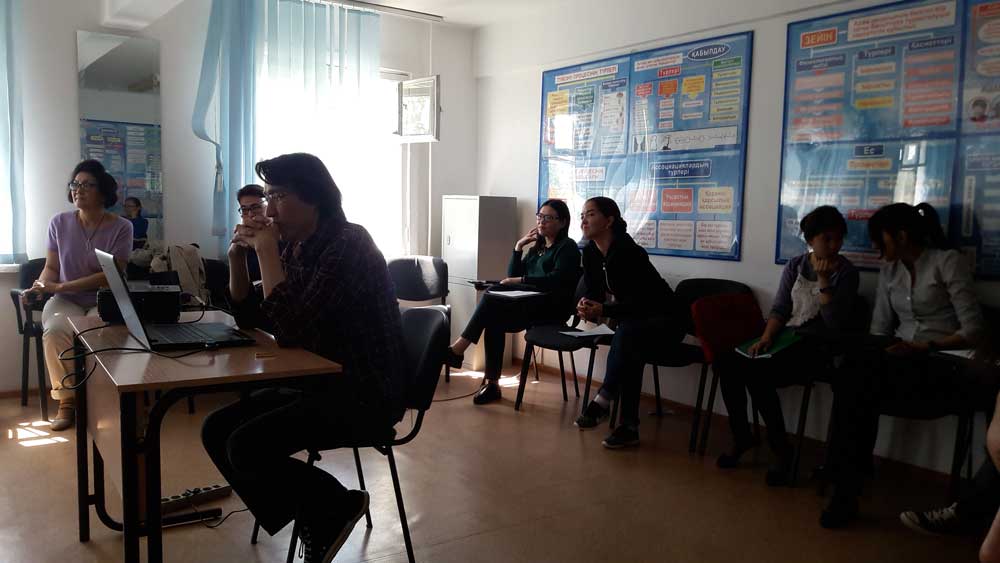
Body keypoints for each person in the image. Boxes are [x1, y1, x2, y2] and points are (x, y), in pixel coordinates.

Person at [202, 153, 405, 563]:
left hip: (365, 393)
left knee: (245, 446)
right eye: (268, 197)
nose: (268, 210)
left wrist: (266, 253)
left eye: (278, 196)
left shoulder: (348, 244)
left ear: (314, 198)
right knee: (216, 429)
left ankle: (333, 506)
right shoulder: (298, 246)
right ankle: (318, 513)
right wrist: (237, 258)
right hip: (319, 382)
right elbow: (251, 315)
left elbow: (290, 329)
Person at [820, 202, 988, 529]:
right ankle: (845, 488)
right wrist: (876, 348)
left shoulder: (947, 262)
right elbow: (880, 329)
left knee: (853, 384)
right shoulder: (890, 271)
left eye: (879, 238)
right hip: (902, 360)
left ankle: (844, 482)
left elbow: (974, 331)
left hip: (943, 362)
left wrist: (926, 346)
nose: (875, 245)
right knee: (851, 377)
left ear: (901, 236)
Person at [715, 206, 858, 485]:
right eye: (827, 239)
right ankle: (742, 436)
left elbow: (835, 323)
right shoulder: (796, 265)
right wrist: (766, 337)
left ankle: (781, 449)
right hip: (785, 338)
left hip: (819, 345)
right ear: (811, 240)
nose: (834, 245)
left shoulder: (847, 272)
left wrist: (824, 281)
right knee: (726, 363)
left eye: (838, 239)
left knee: (757, 374)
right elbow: (780, 308)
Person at [20, 160, 132, 431]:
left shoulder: (122, 227)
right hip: (66, 300)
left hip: (103, 298)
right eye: (75, 184)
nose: (78, 189)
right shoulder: (59, 222)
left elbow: (111, 274)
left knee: (98, 333)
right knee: (55, 331)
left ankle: (98, 398)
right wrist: (40, 285)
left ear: (103, 192)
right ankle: (67, 401)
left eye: (87, 185)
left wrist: (60, 287)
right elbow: (52, 267)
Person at [573, 197, 683, 449]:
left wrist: (605, 309)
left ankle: (604, 400)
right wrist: (586, 305)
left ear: (609, 221)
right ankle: (628, 427)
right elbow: (593, 291)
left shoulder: (630, 252)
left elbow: (642, 303)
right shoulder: (590, 252)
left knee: (628, 335)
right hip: (634, 325)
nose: (583, 220)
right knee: (631, 344)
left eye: (590, 214)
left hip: (666, 320)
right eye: (582, 215)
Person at [446, 199, 581, 405]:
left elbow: (556, 281)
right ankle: (493, 385)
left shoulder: (567, 247)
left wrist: (520, 280)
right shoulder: (538, 248)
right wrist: (518, 247)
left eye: (548, 218)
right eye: (539, 217)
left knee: (492, 293)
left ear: (562, 222)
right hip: (528, 304)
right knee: (493, 319)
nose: (541, 221)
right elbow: (512, 274)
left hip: (550, 308)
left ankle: (459, 348)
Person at [229, 183, 270, 283]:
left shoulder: (284, 237)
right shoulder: (241, 241)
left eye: (256, 207)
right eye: (244, 209)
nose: (250, 214)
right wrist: (235, 254)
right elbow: (238, 293)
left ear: (268, 206)